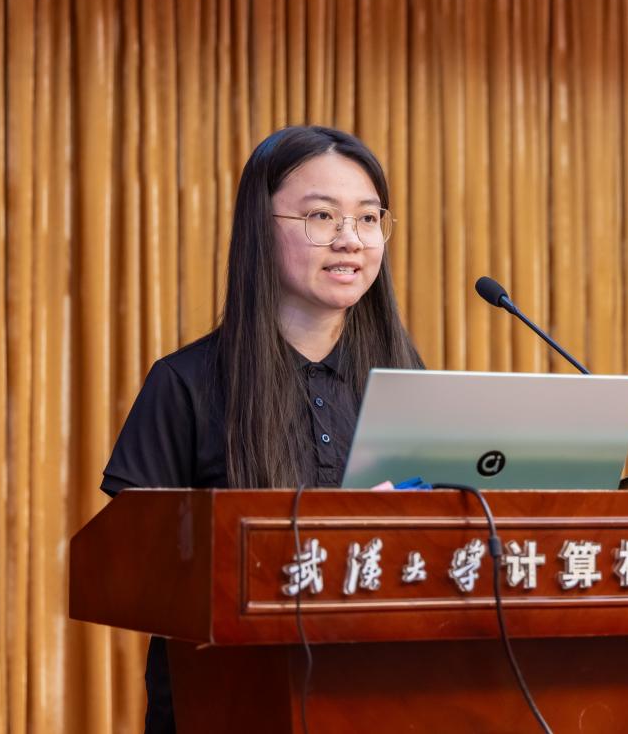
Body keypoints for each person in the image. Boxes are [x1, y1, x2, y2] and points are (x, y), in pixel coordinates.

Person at [100, 125, 422, 732]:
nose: (350, 239)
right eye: (321, 216)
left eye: (368, 218)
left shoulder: (407, 383)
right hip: (227, 704)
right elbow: (138, 562)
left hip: (382, 697)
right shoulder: (186, 383)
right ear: (259, 227)